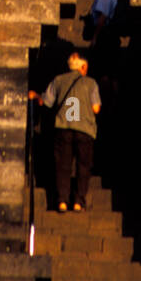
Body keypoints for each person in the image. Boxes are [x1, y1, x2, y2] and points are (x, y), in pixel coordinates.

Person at [28, 51, 101, 211]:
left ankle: (62, 200)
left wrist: (35, 95)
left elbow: (45, 102)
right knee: (83, 166)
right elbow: (96, 108)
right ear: (83, 67)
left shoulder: (58, 80)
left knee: (63, 166)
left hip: (63, 128)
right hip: (84, 130)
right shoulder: (91, 83)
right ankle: (78, 201)